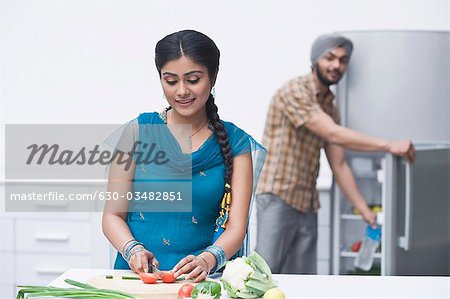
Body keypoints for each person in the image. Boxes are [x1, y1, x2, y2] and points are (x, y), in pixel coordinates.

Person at [102, 30, 265, 282]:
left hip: (202, 282)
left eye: (193, 79)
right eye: (170, 81)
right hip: (138, 279)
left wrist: (207, 260)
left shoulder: (235, 142)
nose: (181, 91)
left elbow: (236, 227)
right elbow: (112, 216)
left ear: (213, 77)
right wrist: (132, 249)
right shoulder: (137, 132)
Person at [255, 33, 416, 274]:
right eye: (330, 58)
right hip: (278, 195)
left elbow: (339, 165)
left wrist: (364, 210)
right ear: (315, 60)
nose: (336, 65)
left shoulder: (329, 106)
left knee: (302, 278)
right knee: (263, 273)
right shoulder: (295, 91)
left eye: (342, 60)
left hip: (307, 202)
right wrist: (389, 145)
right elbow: (332, 133)